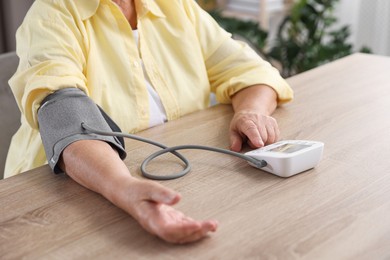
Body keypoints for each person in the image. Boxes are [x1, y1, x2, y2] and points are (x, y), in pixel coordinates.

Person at [5, 0, 293, 244]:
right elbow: (64, 112)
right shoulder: (52, 13)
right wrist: (124, 188)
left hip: (183, 178)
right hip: (62, 193)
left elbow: (250, 70)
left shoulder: (177, 6)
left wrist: (250, 111)